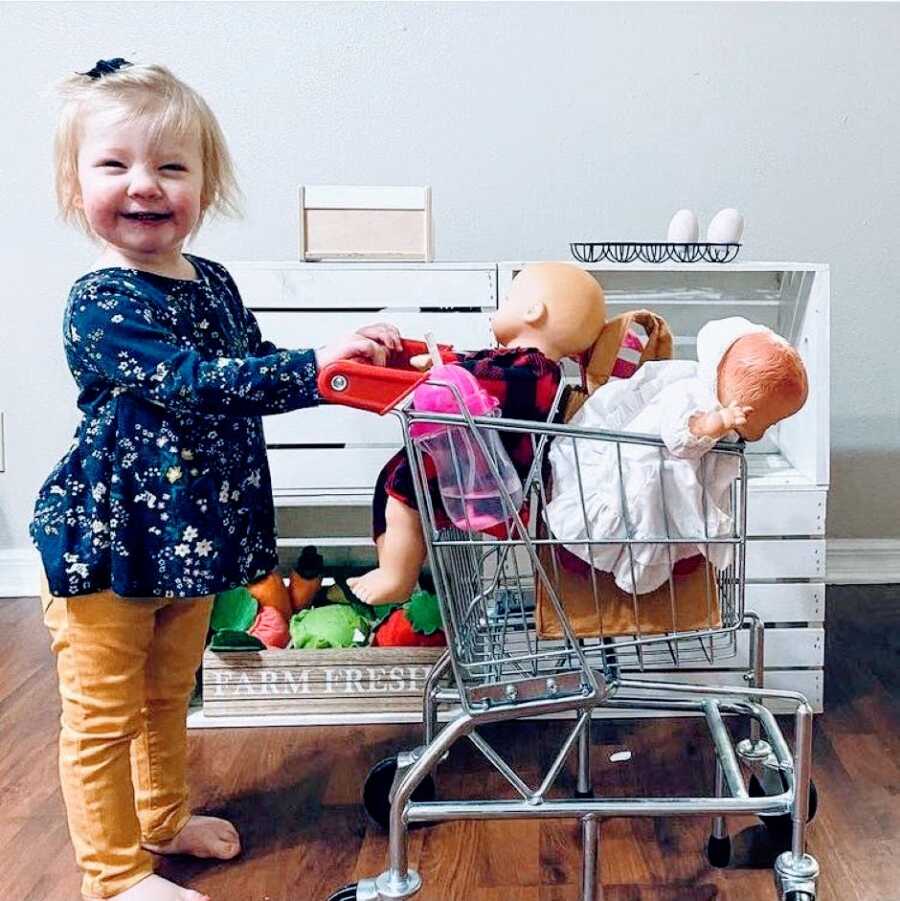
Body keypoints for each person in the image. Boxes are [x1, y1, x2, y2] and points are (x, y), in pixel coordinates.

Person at [29, 58, 400, 901]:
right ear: (73, 183)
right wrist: (313, 370)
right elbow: (198, 382)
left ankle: (161, 820)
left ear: (205, 183)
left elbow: (255, 366)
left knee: (168, 694)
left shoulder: (215, 283)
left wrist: (348, 365)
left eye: (170, 166)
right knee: (101, 715)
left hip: (188, 547)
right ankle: (115, 874)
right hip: (109, 545)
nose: (145, 185)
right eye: (115, 165)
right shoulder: (100, 304)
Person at [347, 262, 607, 605]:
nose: (501, 307)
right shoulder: (516, 361)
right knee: (394, 480)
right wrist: (438, 361)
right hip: (467, 462)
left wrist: (447, 369)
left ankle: (397, 576)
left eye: (509, 299)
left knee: (405, 490)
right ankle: (390, 565)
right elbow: (479, 364)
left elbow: (484, 377)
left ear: (533, 311)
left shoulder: (537, 371)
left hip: (487, 477)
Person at [546, 317, 808, 594]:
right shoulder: (690, 394)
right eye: (766, 423)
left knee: (676, 525)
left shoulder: (711, 397)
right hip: (643, 475)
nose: (765, 432)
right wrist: (716, 423)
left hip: (674, 484)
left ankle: (669, 560)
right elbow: (680, 439)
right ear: (742, 407)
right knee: (646, 522)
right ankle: (633, 569)